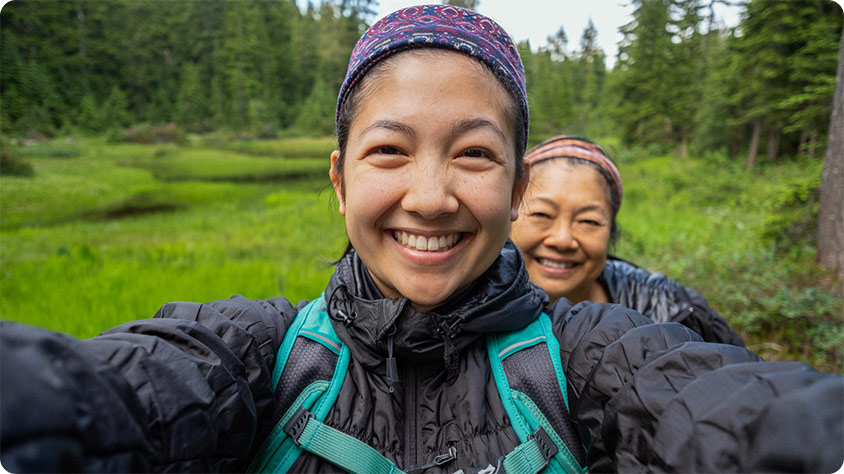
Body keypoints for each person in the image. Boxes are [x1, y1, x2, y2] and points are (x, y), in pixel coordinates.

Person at [1, 5, 841, 474]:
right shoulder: (258, 354)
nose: (431, 197)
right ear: (340, 181)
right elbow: (115, 396)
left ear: (513, 188)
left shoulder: (589, 353)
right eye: (389, 151)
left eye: (474, 153)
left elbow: (726, 410)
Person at [511, 135, 744, 346]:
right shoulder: (476, 310)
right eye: (541, 215)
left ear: (611, 230)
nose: (562, 240)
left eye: (589, 221)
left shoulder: (671, 307)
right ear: (509, 217)